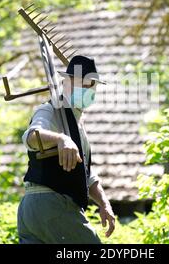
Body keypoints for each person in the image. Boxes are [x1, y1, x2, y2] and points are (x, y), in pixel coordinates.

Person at [17, 55, 115, 244]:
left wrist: (104, 204)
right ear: (67, 83)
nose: (89, 90)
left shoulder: (77, 124)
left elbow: (86, 174)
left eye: (92, 85)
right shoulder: (50, 110)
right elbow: (30, 136)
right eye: (83, 84)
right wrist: (61, 139)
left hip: (32, 213)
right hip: (52, 204)